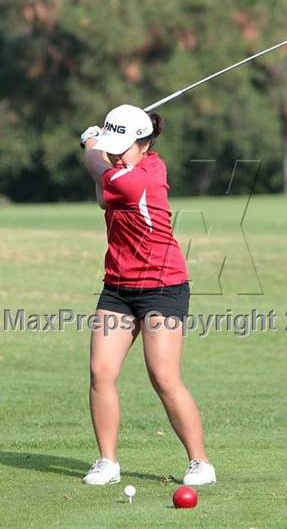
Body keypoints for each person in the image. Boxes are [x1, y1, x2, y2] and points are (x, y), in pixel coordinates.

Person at [79, 104, 216, 486]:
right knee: (100, 372)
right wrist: (99, 144)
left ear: (145, 144)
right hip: (118, 286)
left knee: (164, 377)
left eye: (124, 145)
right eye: (113, 144)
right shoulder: (122, 173)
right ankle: (107, 461)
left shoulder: (143, 177)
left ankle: (200, 462)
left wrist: (90, 142)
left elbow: (97, 169)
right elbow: (104, 198)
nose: (118, 151)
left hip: (163, 286)